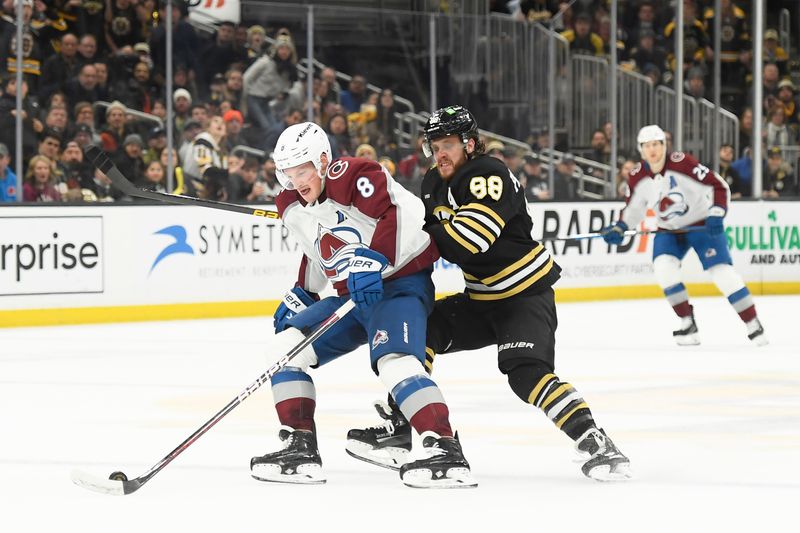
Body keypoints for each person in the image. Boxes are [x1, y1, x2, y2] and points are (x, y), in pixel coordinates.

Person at [346, 105, 632, 482]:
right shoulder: (432, 182)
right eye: (434, 145)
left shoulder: (487, 173)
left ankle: (595, 440)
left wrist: (415, 241)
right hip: (481, 298)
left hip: (523, 295)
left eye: (448, 143)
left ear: (470, 143)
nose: (440, 153)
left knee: (525, 374)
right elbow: (415, 232)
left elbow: (470, 241)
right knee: (417, 331)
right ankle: (401, 429)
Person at [249, 122, 476, 489]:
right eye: (288, 173)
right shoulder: (293, 204)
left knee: (395, 363)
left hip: (399, 285)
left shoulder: (352, 175)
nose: (296, 181)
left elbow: (399, 212)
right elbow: (318, 248)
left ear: (323, 161)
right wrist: (303, 292)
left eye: (302, 170)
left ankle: (445, 449)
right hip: (351, 298)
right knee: (284, 349)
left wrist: (375, 260)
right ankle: (300, 447)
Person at [601, 125, 768, 346]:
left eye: (656, 144)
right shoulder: (637, 176)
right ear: (641, 150)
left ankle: (752, 323)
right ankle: (687, 323)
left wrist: (716, 213)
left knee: (722, 273)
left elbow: (717, 185)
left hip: (701, 225)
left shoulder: (682, 163)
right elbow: (634, 209)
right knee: (663, 270)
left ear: (664, 146)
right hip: (668, 230)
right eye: (647, 146)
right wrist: (620, 227)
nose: (652, 150)